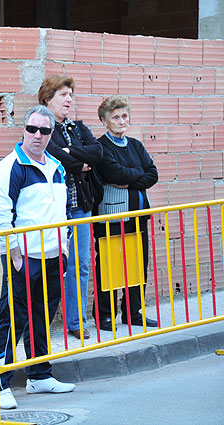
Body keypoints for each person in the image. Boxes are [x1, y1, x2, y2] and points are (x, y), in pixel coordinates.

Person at [0, 105, 75, 410]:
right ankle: (0, 382)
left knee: (42, 316)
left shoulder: (57, 166)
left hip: (53, 256)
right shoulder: (10, 166)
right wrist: (14, 255)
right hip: (24, 256)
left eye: (44, 130)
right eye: (32, 129)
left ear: (51, 134)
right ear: (24, 130)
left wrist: (64, 250)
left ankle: (40, 375)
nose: (37, 135)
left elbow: (65, 210)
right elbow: (2, 215)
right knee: (12, 319)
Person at [39, 75, 103, 340]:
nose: (69, 100)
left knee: (81, 265)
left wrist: (71, 152)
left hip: (81, 206)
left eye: (71, 95)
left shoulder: (77, 128)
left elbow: (97, 152)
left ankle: (77, 322)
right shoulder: (42, 127)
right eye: (63, 95)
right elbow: (55, 156)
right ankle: (39, 326)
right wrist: (77, 158)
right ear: (47, 99)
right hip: (55, 210)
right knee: (52, 266)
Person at [93, 95, 158, 331]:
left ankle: (133, 312)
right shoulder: (100, 147)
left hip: (138, 214)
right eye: (116, 117)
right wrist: (137, 175)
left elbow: (153, 174)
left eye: (124, 115)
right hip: (112, 215)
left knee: (136, 264)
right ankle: (105, 315)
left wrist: (130, 178)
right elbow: (113, 173)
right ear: (105, 120)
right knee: (110, 265)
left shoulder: (135, 145)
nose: (122, 121)